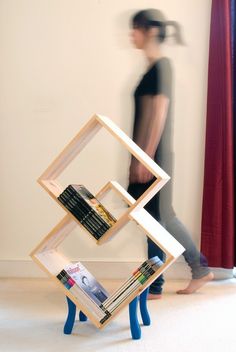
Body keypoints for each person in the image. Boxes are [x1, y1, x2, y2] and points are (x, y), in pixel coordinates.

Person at [127, 9, 214, 299]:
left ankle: (168, 280)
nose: (131, 34)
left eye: (135, 29)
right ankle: (178, 276)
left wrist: (145, 156)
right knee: (157, 217)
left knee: (157, 218)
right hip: (148, 155)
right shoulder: (152, 68)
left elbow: (159, 113)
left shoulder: (162, 66)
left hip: (154, 156)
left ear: (149, 31)